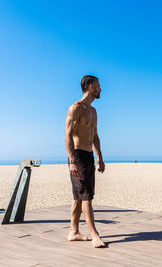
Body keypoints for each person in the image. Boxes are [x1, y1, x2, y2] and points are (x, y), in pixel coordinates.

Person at [65, 75, 106, 248]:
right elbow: (67, 135)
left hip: (89, 156)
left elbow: (94, 136)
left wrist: (100, 157)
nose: (100, 89)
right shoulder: (76, 108)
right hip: (78, 156)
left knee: (79, 197)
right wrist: (72, 160)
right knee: (87, 197)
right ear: (91, 87)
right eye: (98, 86)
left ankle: (73, 232)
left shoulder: (93, 111)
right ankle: (94, 234)